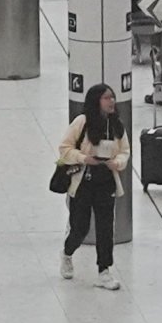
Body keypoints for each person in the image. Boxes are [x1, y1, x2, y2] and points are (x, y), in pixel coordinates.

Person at [56, 82, 131, 286]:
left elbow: (125, 151)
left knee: (106, 228)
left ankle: (104, 270)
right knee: (80, 228)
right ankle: (67, 252)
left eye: (112, 97)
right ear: (96, 100)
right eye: (107, 98)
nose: (111, 101)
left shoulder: (116, 125)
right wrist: (83, 158)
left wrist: (117, 162)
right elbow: (65, 148)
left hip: (106, 181)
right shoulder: (82, 122)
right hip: (83, 181)